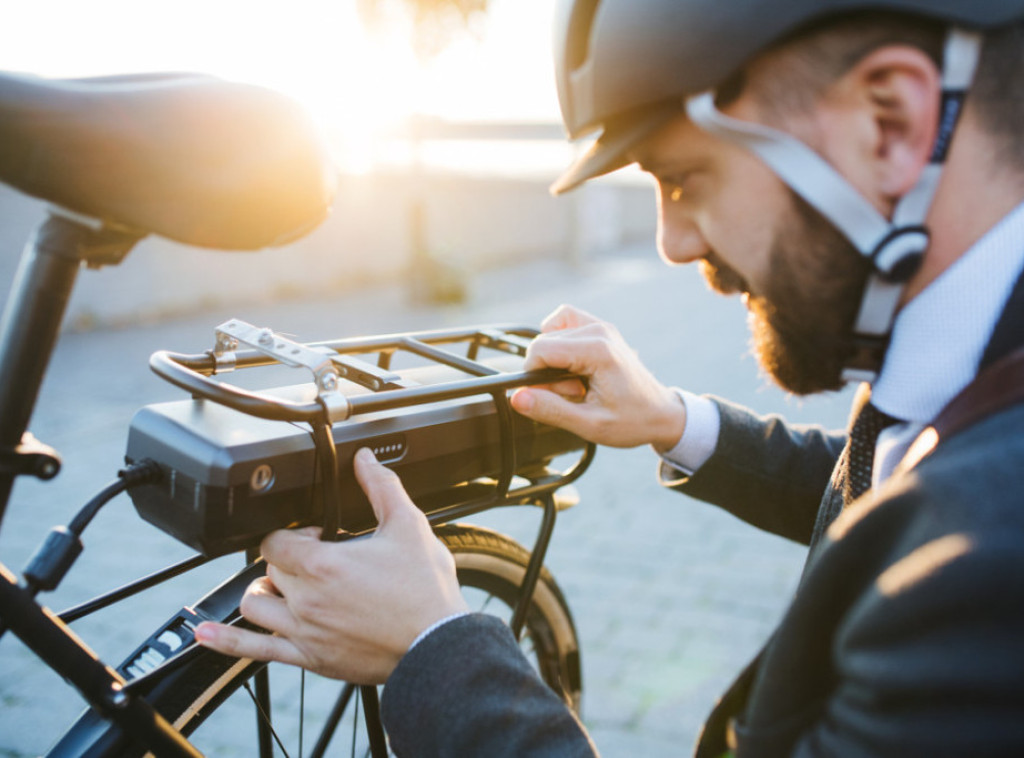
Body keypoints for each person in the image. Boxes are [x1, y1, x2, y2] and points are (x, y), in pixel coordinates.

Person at [195, 1, 1024, 754]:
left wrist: (433, 650)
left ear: (887, 124)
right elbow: (885, 490)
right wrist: (672, 421)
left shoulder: (992, 566)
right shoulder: (977, 370)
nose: (673, 243)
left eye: (684, 177)